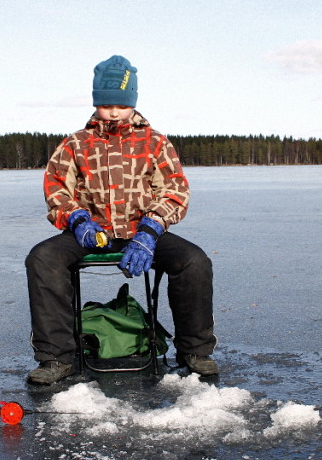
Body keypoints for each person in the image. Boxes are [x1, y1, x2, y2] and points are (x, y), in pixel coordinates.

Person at [25, 55, 218, 385]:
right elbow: (56, 186)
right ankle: (56, 357)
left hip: (140, 231)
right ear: (95, 102)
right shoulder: (75, 144)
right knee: (42, 259)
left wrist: (152, 228)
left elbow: (175, 190)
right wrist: (78, 220)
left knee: (194, 262)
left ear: (133, 102)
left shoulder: (154, 142)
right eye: (105, 104)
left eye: (121, 104)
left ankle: (194, 351)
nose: (113, 111)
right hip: (93, 232)